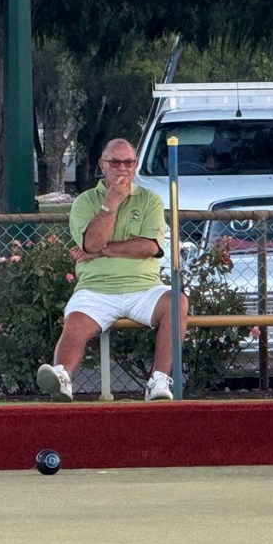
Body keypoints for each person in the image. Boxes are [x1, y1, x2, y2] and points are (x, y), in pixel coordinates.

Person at [36, 138, 188, 402]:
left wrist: (102, 250)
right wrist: (111, 204)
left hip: (145, 288)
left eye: (128, 162)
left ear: (135, 165)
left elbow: (149, 247)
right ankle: (62, 376)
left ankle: (159, 380)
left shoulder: (150, 200)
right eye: (115, 162)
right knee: (75, 320)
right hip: (96, 289)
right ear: (102, 165)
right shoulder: (84, 201)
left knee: (177, 301)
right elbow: (91, 243)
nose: (122, 168)